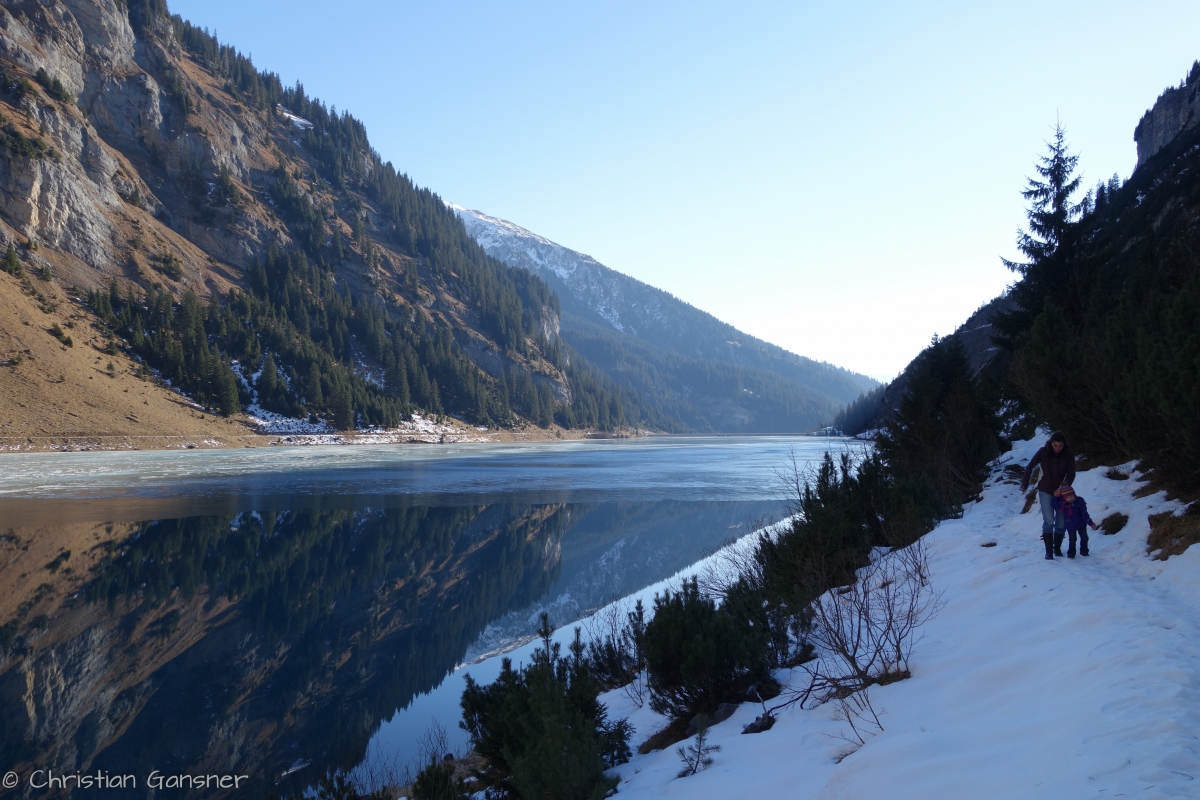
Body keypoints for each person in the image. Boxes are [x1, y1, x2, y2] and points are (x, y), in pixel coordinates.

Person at [1021, 431, 1076, 560]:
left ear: (1064, 445)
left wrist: (1063, 487)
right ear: (1051, 443)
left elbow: (1071, 474)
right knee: (1049, 520)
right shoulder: (1043, 452)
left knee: (1061, 522)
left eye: (1060, 446)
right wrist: (1025, 484)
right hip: (1045, 490)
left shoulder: (1068, 455)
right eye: (1055, 445)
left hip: (1061, 492)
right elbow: (1030, 467)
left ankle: (1056, 548)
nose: (1058, 448)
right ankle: (1048, 552)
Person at [1053, 486, 1098, 558]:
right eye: (1067, 498)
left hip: (1081, 524)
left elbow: (1084, 513)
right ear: (1064, 498)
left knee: (1084, 537)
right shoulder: (1063, 504)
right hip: (1070, 525)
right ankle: (1071, 553)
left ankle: (1084, 551)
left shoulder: (1079, 502)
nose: (1070, 499)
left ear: (1074, 495)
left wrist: (1090, 523)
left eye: (1071, 496)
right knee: (1072, 539)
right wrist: (1055, 496)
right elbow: (1053, 504)